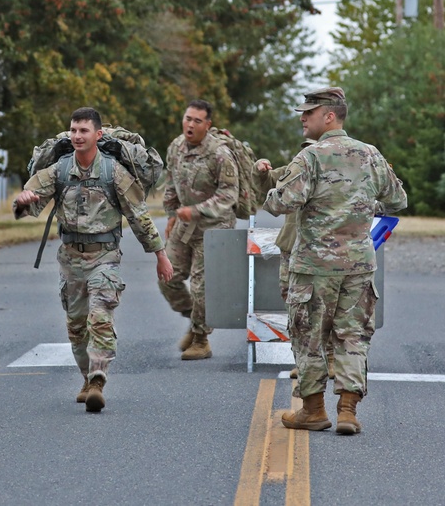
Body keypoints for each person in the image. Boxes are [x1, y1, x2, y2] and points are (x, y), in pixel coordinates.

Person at [263, 87, 407, 436]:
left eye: (308, 113)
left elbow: (280, 203)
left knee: (309, 335)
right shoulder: (370, 154)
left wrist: (270, 189)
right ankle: (348, 411)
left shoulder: (310, 157)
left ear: (330, 116)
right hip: (358, 265)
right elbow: (398, 199)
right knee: (353, 336)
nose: (302, 118)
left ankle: (313, 411)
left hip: (315, 266)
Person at [13, 107, 173, 413]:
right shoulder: (59, 170)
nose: (76, 136)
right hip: (70, 259)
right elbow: (29, 202)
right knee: (76, 327)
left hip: (105, 257)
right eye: (73, 130)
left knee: (100, 316)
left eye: (83, 131)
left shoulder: (114, 172)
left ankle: (98, 379)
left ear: (98, 135)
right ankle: (87, 378)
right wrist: (22, 201)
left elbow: (139, 217)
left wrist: (160, 256)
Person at [159, 99, 238, 360]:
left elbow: (229, 195)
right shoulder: (176, 147)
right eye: (187, 118)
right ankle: (195, 321)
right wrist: (172, 214)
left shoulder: (220, 153)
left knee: (202, 286)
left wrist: (195, 210)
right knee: (167, 276)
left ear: (208, 124)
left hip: (214, 226)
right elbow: (172, 183)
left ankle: (201, 339)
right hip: (184, 223)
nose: (190, 124)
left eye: (197, 120)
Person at [255, 139, 332, 383]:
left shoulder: (334, 172)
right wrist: (260, 170)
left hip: (322, 250)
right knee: (294, 306)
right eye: (304, 148)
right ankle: (304, 361)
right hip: (292, 247)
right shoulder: (294, 170)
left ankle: (328, 358)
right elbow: (268, 183)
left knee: (324, 306)